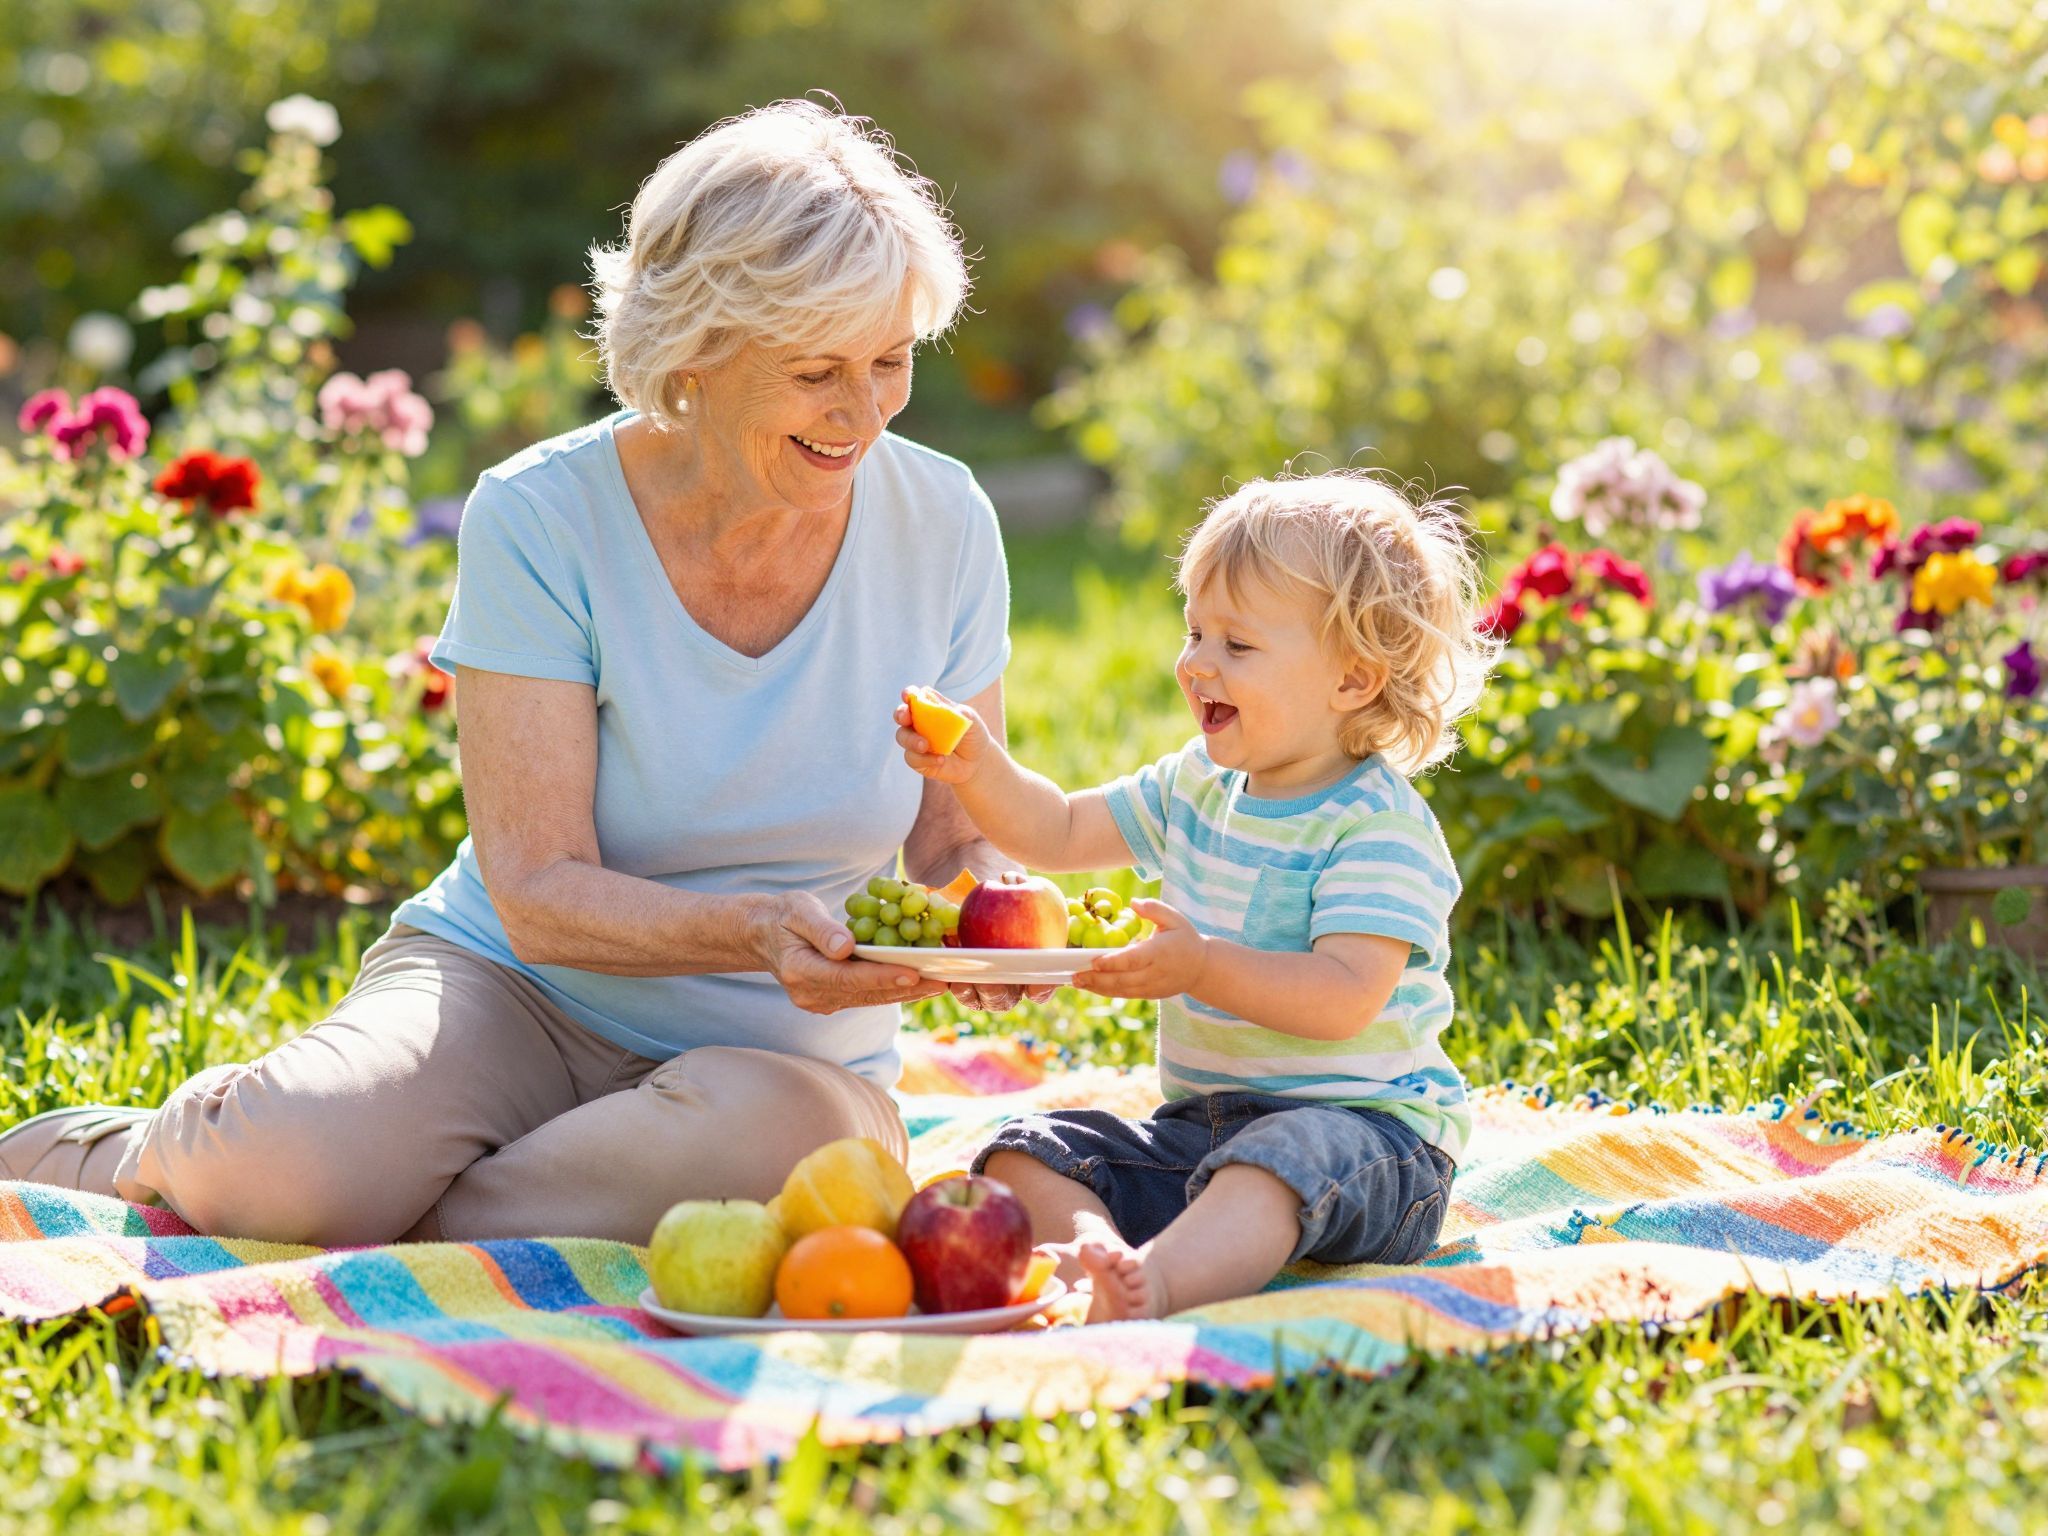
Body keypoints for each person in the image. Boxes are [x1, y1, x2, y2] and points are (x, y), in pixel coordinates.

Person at [0, 100, 1051, 1245]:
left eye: (890, 360)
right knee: (290, 1164)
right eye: (816, 373)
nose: (864, 413)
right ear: (694, 349)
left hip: (775, 1061)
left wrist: (991, 922)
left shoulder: (941, 518)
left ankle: (380, 1200)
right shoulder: (540, 516)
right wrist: (750, 928)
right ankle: (143, 1155)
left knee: (800, 1158)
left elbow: (954, 842)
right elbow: (539, 889)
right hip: (511, 993)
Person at [895, 472, 1497, 1320]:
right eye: (1193, 631)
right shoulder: (1198, 782)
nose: (1195, 663)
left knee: (1278, 1157)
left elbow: (1343, 999)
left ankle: (1162, 1286)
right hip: (1203, 1132)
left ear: (1355, 681)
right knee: (1031, 1148)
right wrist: (980, 770)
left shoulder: (1376, 827)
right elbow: (1061, 832)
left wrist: (1199, 966)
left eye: (1237, 646)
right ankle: (1096, 1255)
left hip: (1371, 1147)